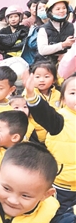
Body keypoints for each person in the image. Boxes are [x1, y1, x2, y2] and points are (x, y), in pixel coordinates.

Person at [25, 73, 76, 211]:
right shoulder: (60, 120)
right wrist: (31, 95)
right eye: (73, 93)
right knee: (62, 222)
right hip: (63, 187)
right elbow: (44, 113)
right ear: (63, 99)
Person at [26, 61, 61, 142]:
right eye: (37, 77)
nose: (41, 80)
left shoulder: (58, 94)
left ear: (54, 80)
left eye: (46, 76)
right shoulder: (28, 94)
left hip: (54, 136)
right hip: (35, 137)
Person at [36, 0, 75, 64]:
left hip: (68, 65)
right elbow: (42, 50)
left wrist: (66, 55)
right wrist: (63, 44)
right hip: (47, 64)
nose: (62, 11)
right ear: (50, 11)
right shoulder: (43, 29)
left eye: (64, 8)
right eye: (58, 9)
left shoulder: (72, 27)